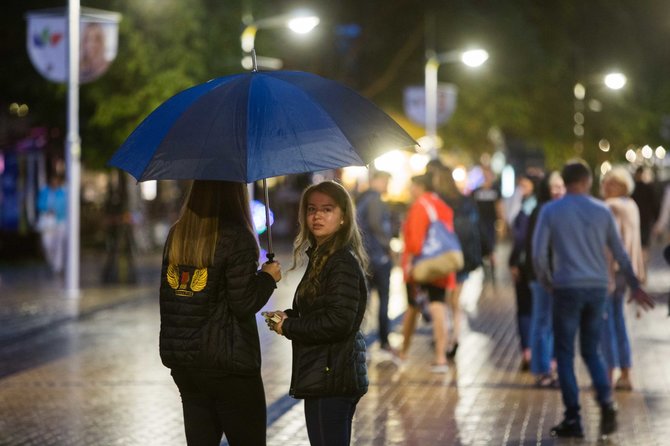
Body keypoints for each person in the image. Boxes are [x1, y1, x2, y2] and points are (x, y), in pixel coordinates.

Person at [532, 160, 654, 439]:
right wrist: (634, 284)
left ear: (565, 180)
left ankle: (573, 416)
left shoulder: (551, 211)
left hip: (566, 286)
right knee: (591, 350)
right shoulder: (602, 211)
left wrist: (547, 280)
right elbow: (620, 253)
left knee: (564, 353)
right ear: (587, 182)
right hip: (598, 286)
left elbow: (539, 254)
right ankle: (606, 403)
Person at [159, 180, 282, 446]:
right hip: (229, 365)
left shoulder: (178, 234)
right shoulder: (237, 237)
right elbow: (243, 303)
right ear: (235, 191)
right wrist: (268, 277)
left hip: (186, 363)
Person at [264, 180, 369, 446]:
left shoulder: (340, 262)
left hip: (332, 376)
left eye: (327, 209)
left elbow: (337, 322)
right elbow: (319, 309)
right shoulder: (323, 257)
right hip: (325, 372)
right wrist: (287, 316)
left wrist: (288, 327)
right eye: (311, 209)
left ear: (343, 217)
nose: (317, 216)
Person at [399, 173, 456, 373]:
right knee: (438, 304)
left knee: (414, 305)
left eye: (412, 186)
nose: (410, 190)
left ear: (420, 186)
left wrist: (411, 263)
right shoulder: (442, 205)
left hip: (422, 265)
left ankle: (403, 352)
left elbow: (414, 242)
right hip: (441, 263)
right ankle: (441, 356)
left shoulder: (420, 206)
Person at [428, 160, 482, 359]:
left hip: (443, 256)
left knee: (441, 300)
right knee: (455, 302)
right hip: (464, 257)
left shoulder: (437, 202)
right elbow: (476, 229)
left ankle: (443, 337)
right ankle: (455, 337)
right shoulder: (466, 201)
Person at [599, 167, 645, 391]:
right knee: (618, 318)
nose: (605, 187)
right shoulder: (632, 206)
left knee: (606, 320)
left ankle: (609, 372)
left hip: (611, 270)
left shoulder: (611, 207)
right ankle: (626, 371)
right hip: (627, 272)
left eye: (610, 183)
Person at [526, 171, 565, 387]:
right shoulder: (542, 210)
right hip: (543, 276)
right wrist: (544, 275)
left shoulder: (555, 210)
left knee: (549, 323)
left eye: (562, 186)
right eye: (555, 186)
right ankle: (542, 370)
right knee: (542, 322)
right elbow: (537, 249)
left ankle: (548, 367)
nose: (559, 190)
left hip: (554, 275)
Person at [356, 170, 396, 356]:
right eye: (386, 180)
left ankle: (360, 339)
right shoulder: (374, 200)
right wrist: (388, 246)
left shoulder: (361, 198)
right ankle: (384, 340)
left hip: (365, 257)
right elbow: (377, 226)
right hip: (378, 258)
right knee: (383, 299)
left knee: (365, 301)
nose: (387, 185)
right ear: (376, 181)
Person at [508, 174, 538, 371]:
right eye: (520, 185)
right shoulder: (528, 204)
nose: (522, 188)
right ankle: (530, 351)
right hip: (534, 265)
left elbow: (520, 238)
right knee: (530, 309)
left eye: (525, 184)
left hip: (528, 264)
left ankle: (529, 351)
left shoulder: (528, 208)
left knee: (527, 309)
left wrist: (513, 261)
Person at [472, 166, 504, 280]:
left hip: (491, 223)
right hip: (479, 223)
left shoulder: (496, 190)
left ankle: (493, 275)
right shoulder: (476, 191)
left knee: (492, 249)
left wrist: (501, 224)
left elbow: (499, 207)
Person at [37, 174, 67, 275]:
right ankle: (52, 261)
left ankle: (57, 266)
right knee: (47, 243)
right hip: (47, 220)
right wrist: (47, 209)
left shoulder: (63, 192)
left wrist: (58, 212)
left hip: (60, 220)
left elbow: (66, 206)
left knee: (58, 244)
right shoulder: (44, 191)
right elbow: (39, 204)